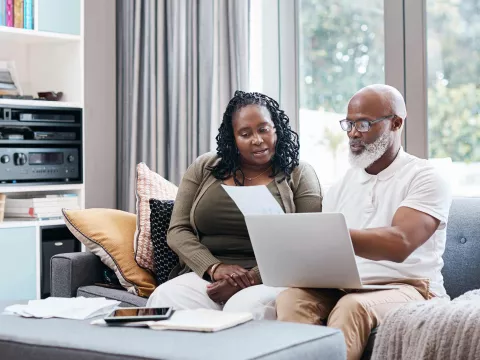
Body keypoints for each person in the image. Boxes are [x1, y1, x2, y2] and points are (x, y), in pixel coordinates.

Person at [276, 84, 452, 360]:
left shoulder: (425, 177)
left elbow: (400, 243)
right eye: (349, 124)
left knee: (352, 307)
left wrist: (334, 235)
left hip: (409, 287)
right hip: (346, 284)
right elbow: (327, 254)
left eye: (364, 124)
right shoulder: (342, 184)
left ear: (396, 123)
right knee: (291, 298)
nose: (354, 133)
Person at [147, 90, 322, 319]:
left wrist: (249, 278)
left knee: (245, 309)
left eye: (263, 129)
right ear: (233, 139)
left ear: (276, 128)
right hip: (207, 275)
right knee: (164, 298)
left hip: (271, 278)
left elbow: (305, 240)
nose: (257, 140)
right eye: (245, 133)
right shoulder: (205, 167)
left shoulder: (299, 173)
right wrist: (215, 268)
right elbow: (177, 231)